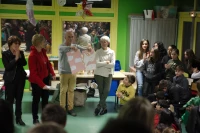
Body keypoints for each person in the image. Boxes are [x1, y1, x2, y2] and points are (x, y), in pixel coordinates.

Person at [58, 29, 90, 116]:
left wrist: (88, 48)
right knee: (63, 90)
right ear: (65, 37)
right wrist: (71, 47)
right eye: (69, 36)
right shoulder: (61, 47)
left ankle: (70, 108)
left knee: (71, 90)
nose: (71, 38)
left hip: (73, 72)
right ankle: (62, 109)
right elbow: (63, 49)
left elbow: (82, 48)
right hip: (64, 72)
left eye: (72, 36)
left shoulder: (75, 45)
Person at [28, 34, 56, 124]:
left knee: (45, 100)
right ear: (39, 43)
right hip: (37, 82)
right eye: (44, 41)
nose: (45, 43)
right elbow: (34, 74)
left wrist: (52, 73)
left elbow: (48, 63)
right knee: (36, 100)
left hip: (45, 78)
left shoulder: (43, 52)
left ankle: (45, 117)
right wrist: (42, 85)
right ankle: (35, 118)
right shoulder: (32, 56)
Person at [2, 35, 27, 126]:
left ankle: (18, 118)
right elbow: (8, 67)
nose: (17, 45)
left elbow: (24, 63)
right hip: (10, 80)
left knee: (19, 100)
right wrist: (15, 58)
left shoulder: (20, 52)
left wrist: (19, 56)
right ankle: (10, 119)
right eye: (15, 44)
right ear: (10, 44)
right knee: (10, 101)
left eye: (18, 44)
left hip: (20, 80)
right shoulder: (5, 54)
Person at [94, 35, 115, 116]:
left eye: (105, 42)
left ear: (108, 43)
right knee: (101, 91)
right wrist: (106, 62)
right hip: (98, 73)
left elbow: (112, 64)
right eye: (102, 42)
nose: (103, 43)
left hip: (108, 73)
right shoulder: (98, 52)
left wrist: (102, 63)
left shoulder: (112, 52)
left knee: (106, 90)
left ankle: (99, 107)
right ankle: (104, 108)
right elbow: (96, 64)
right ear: (100, 43)